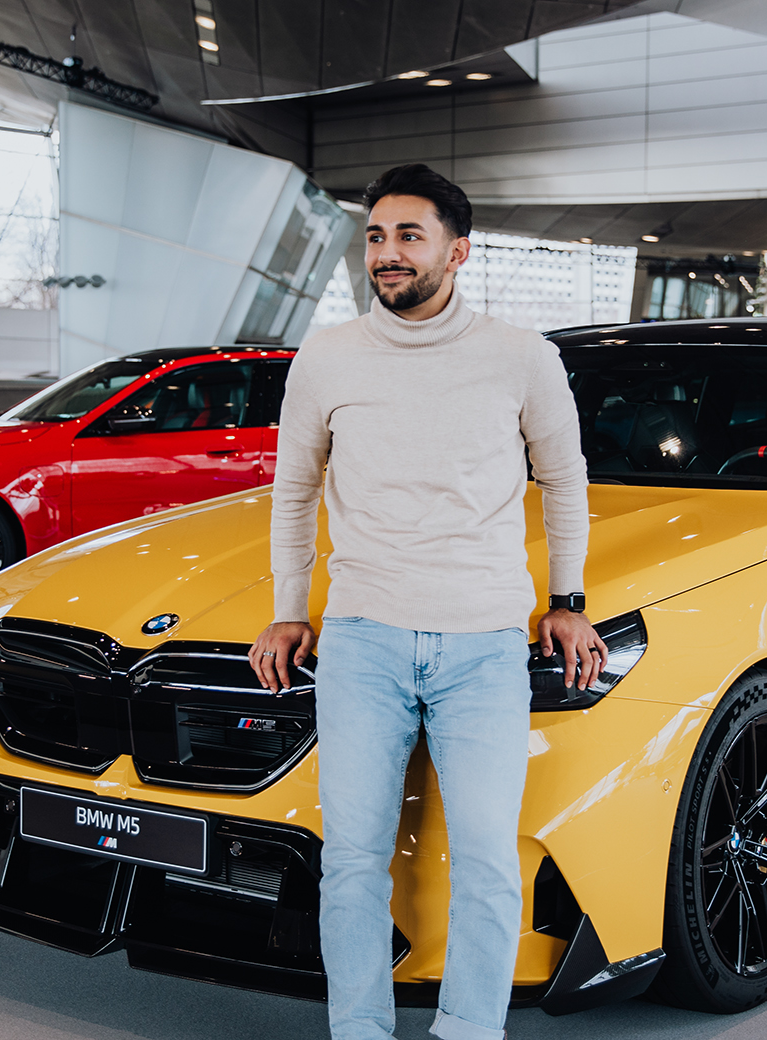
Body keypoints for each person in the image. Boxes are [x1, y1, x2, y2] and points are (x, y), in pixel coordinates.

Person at [248, 163, 607, 1040]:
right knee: (354, 864)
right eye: (376, 236)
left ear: (458, 250)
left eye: (410, 236)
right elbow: (295, 488)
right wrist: (290, 606)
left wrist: (567, 598)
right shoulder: (328, 356)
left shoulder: (522, 356)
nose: (388, 254)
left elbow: (564, 481)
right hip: (362, 640)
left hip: (483, 643)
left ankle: (467, 1032)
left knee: (487, 863)